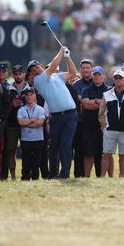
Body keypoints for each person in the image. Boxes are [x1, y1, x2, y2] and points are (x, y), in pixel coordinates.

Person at [27, 45, 78, 179]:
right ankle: (53, 173)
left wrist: (67, 56)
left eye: (37, 67)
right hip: (56, 118)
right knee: (54, 146)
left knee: (66, 145)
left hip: (71, 115)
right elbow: (54, 64)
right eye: (33, 70)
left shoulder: (57, 76)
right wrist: (61, 51)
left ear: (41, 66)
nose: (36, 70)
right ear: (32, 74)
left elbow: (73, 73)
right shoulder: (39, 80)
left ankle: (64, 174)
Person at [99, 70, 124, 177]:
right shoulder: (107, 94)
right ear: (113, 80)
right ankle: (102, 177)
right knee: (106, 154)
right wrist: (104, 127)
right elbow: (101, 113)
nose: (118, 80)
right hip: (110, 130)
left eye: (120, 78)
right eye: (116, 78)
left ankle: (122, 176)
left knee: (123, 156)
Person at [80, 66, 109, 177]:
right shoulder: (86, 90)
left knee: (104, 154)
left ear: (103, 76)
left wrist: (96, 102)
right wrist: (102, 103)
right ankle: (87, 176)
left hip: (104, 126)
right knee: (89, 153)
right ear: (92, 76)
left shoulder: (109, 90)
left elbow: (110, 106)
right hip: (89, 126)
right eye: (95, 75)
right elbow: (86, 105)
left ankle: (101, 177)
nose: (96, 77)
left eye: (99, 75)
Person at [3, 65, 30, 180]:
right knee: (11, 150)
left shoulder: (30, 89)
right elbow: (3, 108)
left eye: (20, 74)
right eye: (16, 74)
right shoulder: (8, 89)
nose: (18, 76)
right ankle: (13, 176)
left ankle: (26, 175)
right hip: (12, 125)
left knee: (27, 151)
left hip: (27, 125)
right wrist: (11, 105)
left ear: (24, 75)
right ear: (13, 75)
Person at [17, 88, 46, 180]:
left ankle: (35, 177)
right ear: (25, 97)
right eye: (27, 95)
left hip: (37, 139)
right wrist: (33, 119)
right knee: (25, 161)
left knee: (36, 161)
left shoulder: (40, 109)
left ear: (34, 96)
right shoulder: (21, 110)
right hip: (25, 139)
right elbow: (20, 122)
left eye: (31, 95)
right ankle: (25, 177)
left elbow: (40, 123)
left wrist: (27, 122)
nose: (29, 97)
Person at [72, 59, 94, 178]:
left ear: (91, 68)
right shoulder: (76, 85)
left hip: (93, 121)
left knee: (93, 151)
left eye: (88, 67)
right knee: (79, 151)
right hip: (79, 121)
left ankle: (98, 175)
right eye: (83, 68)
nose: (85, 70)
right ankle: (78, 175)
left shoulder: (96, 82)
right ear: (80, 69)